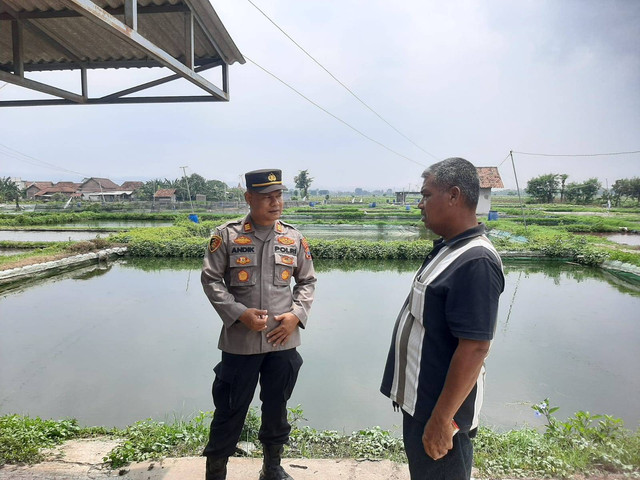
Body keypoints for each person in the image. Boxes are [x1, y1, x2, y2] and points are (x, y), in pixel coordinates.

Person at [380, 158, 505, 480]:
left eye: (426, 195)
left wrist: (442, 420)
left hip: (440, 412)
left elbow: (475, 347)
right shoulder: (449, 249)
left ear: (453, 195)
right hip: (422, 403)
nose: (420, 204)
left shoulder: (475, 260)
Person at [201, 169, 317, 480]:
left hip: (282, 340)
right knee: (229, 410)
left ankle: (272, 467)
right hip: (241, 342)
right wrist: (240, 313)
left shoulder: (293, 237)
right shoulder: (226, 236)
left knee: (276, 408)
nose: (275, 202)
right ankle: (216, 471)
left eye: (278, 195)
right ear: (249, 198)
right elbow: (211, 280)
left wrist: (296, 315)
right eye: (266, 196)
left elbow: (307, 281)